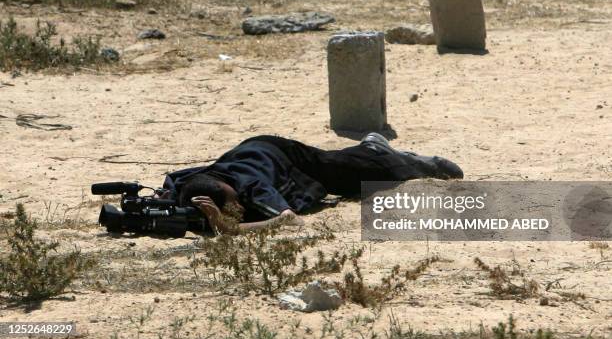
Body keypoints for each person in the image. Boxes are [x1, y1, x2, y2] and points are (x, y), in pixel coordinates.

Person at [163, 133, 463, 234]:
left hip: (283, 155)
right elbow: (171, 183)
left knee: (362, 177)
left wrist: (230, 227)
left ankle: (379, 150)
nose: (238, 206)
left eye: (235, 201)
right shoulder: (187, 188)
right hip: (249, 152)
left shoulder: (251, 187)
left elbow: (289, 221)